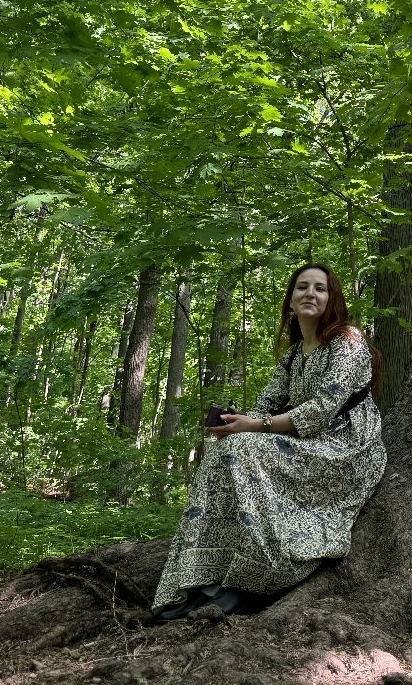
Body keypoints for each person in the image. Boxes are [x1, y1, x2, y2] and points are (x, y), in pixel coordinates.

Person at [151, 263, 385, 620]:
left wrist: (256, 426)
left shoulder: (347, 341)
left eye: (320, 288)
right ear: (290, 300)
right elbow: (266, 404)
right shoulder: (293, 356)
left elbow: (322, 408)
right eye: (302, 287)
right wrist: (236, 423)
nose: (310, 294)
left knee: (243, 449)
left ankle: (261, 576)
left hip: (346, 449)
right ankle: (200, 578)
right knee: (227, 448)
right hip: (308, 442)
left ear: (332, 299)